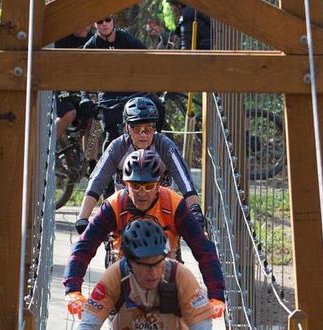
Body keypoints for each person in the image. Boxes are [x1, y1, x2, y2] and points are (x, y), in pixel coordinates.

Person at [63, 149, 225, 318]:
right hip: (123, 283)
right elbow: (84, 247)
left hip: (165, 281)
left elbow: (204, 249)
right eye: (135, 185)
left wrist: (216, 296)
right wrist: (73, 290)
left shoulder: (174, 204)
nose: (142, 193)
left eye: (149, 186)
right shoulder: (113, 205)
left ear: (159, 184)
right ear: (125, 184)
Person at [75, 96, 204, 233]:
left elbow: (185, 181)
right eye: (136, 128)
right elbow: (97, 181)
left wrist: (195, 210)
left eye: (148, 128)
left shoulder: (165, 146)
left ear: (155, 128)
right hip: (125, 209)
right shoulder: (117, 147)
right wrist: (83, 216)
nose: (143, 134)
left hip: (162, 209)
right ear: (127, 128)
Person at [73, 219, 224, 329]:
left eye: (158, 263)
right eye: (145, 265)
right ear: (129, 261)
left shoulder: (180, 276)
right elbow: (88, 324)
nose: (153, 272)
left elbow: (202, 326)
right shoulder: (116, 275)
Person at [81, 15, 166, 152]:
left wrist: (153, 83)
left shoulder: (126, 38)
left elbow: (147, 58)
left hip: (132, 89)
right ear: (94, 25)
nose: (105, 24)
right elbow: (81, 75)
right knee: (111, 134)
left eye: (108, 19)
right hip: (108, 94)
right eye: (100, 21)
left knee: (158, 108)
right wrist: (84, 97)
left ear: (113, 20)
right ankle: (107, 171)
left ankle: (156, 149)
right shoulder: (91, 46)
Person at [53, 26, 94, 140]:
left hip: (79, 85)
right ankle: (46, 148)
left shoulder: (92, 38)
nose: (87, 27)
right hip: (58, 84)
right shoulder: (60, 38)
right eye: (83, 23)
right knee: (69, 113)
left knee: (92, 115)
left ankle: (91, 158)